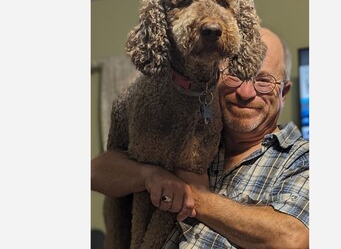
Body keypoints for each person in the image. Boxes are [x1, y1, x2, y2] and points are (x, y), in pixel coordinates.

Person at [91, 27, 309, 248]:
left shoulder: (303, 157)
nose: (246, 93)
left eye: (263, 81)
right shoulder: (188, 134)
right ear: (214, 78)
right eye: (235, 75)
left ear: (283, 93)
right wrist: (150, 176)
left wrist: (195, 195)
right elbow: (96, 171)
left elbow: (292, 239)